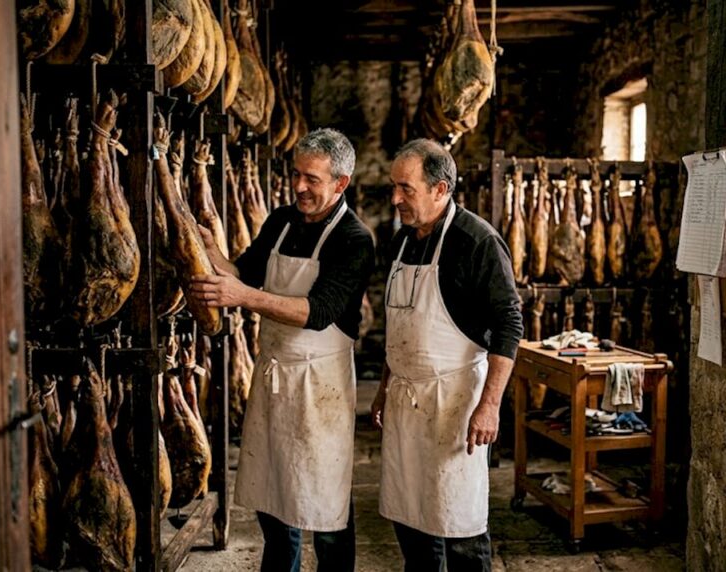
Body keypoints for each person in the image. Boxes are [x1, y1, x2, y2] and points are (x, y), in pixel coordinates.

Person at [191, 128, 374, 572]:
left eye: (312, 179)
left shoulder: (354, 239)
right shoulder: (281, 221)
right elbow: (247, 272)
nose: (299, 187)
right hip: (273, 377)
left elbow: (317, 312)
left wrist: (241, 297)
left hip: (321, 387)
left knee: (327, 504)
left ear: (340, 184)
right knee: (274, 497)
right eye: (297, 175)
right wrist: (213, 252)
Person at [371, 139, 523, 571]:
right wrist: (384, 385)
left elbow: (510, 325)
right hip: (405, 400)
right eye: (393, 187)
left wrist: (489, 406)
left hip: (454, 403)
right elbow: (398, 324)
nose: (396, 198)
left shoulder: (477, 241)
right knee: (410, 518)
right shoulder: (402, 240)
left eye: (406, 188)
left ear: (440, 189)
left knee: (459, 524)